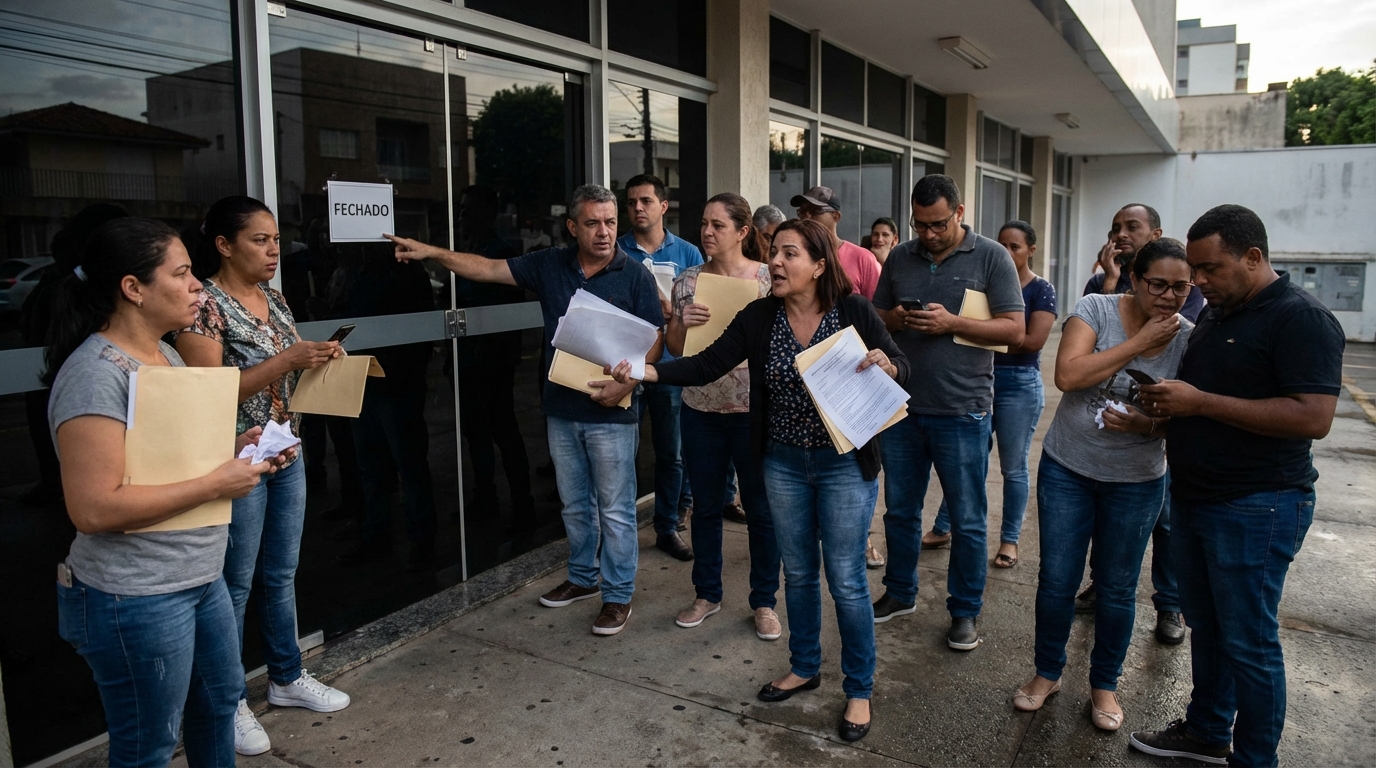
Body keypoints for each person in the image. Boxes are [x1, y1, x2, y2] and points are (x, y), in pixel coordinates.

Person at [612, 218, 908, 742]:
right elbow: (705, 365)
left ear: (819, 266)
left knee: (845, 578)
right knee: (797, 572)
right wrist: (646, 371)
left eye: (789, 254)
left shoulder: (854, 311)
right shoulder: (760, 315)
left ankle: (858, 689)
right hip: (784, 462)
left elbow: (902, 363)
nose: (775, 262)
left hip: (843, 463)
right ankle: (805, 665)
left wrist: (888, 363)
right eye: (773, 252)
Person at [45, 217, 281, 767]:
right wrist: (216, 482)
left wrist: (238, 449)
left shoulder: (166, 355)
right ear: (134, 288)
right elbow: (93, 507)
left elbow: (169, 460)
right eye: (182, 273)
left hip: (199, 577)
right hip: (138, 595)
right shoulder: (96, 375)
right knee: (149, 745)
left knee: (220, 707)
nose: (199, 285)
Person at [386, 184, 662, 637]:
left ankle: (617, 595)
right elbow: (489, 269)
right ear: (573, 226)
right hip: (562, 407)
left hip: (614, 411)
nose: (604, 231)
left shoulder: (635, 276)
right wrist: (430, 252)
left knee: (614, 509)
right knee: (575, 505)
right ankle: (582, 578)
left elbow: (654, 341)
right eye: (592, 222)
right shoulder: (550, 264)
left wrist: (626, 380)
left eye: (610, 222)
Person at [1131, 205, 1344, 767]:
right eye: (1194, 270)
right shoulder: (1223, 311)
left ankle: (1254, 759)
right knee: (1209, 626)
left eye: (1209, 268)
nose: (1197, 282)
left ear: (1253, 257)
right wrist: (1165, 410)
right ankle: (1207, 731)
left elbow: (1312, 416)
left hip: (1258, 505)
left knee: (1249, 643)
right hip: (1199, 498)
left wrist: (1198, 402)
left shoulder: (1301, 319)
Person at [176, 197, 351, 757]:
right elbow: (208, 395)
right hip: (236, 462)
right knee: (232, 586)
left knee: (281, 574)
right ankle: (225, 704)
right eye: (260, 239)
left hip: (286, 452)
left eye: (277, 239)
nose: (274, 249)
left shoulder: (274, 297)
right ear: (224, 245)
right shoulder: (204, 306)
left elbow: (286, 369)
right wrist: (286, 362)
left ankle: (286, 676)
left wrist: (318, 360)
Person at [1012, 238, 1195, 732]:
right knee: (1057, 580)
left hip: (1136, 481)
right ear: (1135, 278)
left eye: (1182, 287)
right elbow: (1068, 375)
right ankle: (1046, 673)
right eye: (1159, 284)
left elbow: (1190, 420)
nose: (1169, 297)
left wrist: (1147, 427)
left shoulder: (1190, 339)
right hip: (1069, 468)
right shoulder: (1096, 308)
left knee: (1116, 588)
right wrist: (1140, 344)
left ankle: (1104, 685)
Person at [870, 174, 1025, 651]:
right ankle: (900, 592)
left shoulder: (992, 257)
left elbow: (1015, 329)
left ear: (959, 212)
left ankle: (964, 611)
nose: (929, 234)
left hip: (963, 410)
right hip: (902, 406)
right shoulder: (899, 256)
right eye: (920, 225)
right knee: (899, 511)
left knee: (968, 517)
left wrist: (952, 322)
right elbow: (876, 318)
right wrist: (895, 319)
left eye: (938, 224)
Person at [1076, 202, 1200, 644]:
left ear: (1157, 232)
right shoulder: (1101, 286)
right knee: (1102, 530)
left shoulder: (1190, 300)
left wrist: (1151, 425)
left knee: (1165, 523)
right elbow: (1076, 366)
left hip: (1152, 454)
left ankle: (1169, 603)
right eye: (1116, 228)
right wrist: (1112, 279)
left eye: (1133, 227)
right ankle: (1099, 584)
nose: (1122, 234)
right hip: (1094, 449)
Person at [664, 193, 780, 640]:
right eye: (704, 223)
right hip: (701, 409)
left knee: (761, 509)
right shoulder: (688, 280)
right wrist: (681, 321)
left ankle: (765, 601)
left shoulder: (769, 280)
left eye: (718, 225)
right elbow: (676, 349)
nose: (707, 232)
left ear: (743, 232)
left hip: (755, 411)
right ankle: (706, 593)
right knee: (707, 506)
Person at [924, 221, 1056, 569]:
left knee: (1013, 468)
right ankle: (944, 525)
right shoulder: (989, 281)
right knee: (966, 462)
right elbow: (989, 330)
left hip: (1018, 384)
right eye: (1002, 244)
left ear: (1031, 250)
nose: (1007, 252)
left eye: (1015, 246)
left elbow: (1028, 341)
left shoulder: (1041, 290)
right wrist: (986, 333)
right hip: (981, 378)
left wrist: (978, 334)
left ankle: (1010, 539)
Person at [334, 244, 439, 571]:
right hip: (365, 379)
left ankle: (422, 542)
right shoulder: (355, 269)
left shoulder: (402, 268)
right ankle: (378, 535)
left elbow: (419, 327)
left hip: (397, 383)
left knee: (408, 463)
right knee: (371, 464)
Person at [617, 173, 703, 561]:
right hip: (623, 365)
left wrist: (674, 313)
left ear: (663, 206)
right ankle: (620, 532)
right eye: (632, 202)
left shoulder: (687, 253)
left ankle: (666, 526)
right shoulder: (616, 251)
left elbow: (704, 307)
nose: (638, 208)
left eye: (646, 201)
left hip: (670, 366)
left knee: (672, 453)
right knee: (623, 452)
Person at [452, 185, 536, 549]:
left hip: (492, 362)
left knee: (504, 432)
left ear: (488, 213)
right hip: (466, 359)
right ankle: (484, 496)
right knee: (474, 432)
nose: (463, 216)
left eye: (470, 209)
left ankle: (523, 507)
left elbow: (500, 315)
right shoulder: (465, 251)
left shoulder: (500, 255)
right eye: (462, 209)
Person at [791, 186, 880, 299]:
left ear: (836, 216)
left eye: (815, 211)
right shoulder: (794, 255)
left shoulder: (862, 258)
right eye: (802, 212)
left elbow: (877, 309)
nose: (807, 217)